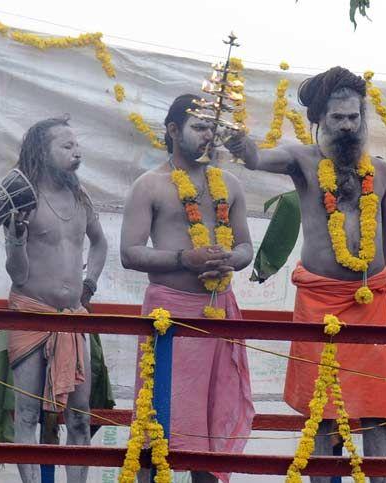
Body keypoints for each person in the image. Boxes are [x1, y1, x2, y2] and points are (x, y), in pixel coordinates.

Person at [231, 66, 386, 483]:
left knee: (377, 414)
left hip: (373, 303)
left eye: (353, 118)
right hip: (320, 304)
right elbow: (257, 158)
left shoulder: (381, 172)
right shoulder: (302, 161)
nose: (347, 127)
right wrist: (242, 145)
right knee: (324, 415)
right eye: (337, 118)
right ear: (318, 120)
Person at [121, 94, 255, 483]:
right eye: (199, 127)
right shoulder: (150, 185)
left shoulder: (229, 184)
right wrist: (184, 258)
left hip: (218, 313)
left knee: (211, 426)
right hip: (170, 316)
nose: (208, 136)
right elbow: (129, 252)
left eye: (212, 127)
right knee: (156, 423)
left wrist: (230, 258)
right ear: (173, 130)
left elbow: (246, 246)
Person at [0, 117, 107, 483]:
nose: (77, 152)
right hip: (30, 314)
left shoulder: (80, 197)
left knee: (79, 416)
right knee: (27, 414)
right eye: (66, 146)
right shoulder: (21, 199)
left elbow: (101, 242)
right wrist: (15, 239)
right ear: (41, 153)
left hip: (73, 318)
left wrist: (89, 282)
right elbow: (16, 274)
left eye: (77, 145)